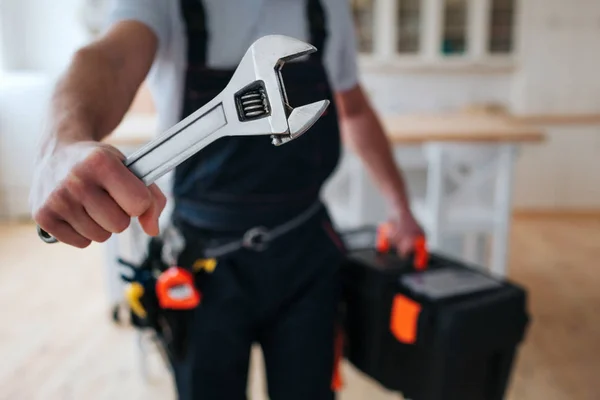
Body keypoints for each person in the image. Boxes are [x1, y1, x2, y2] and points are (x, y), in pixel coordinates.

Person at [29, 1, 425, 399]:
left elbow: (352, 108)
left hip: (306, 253)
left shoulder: (327, 7)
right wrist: (63, 140)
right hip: (203, 261)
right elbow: (110, 60)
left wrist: (401, 208)